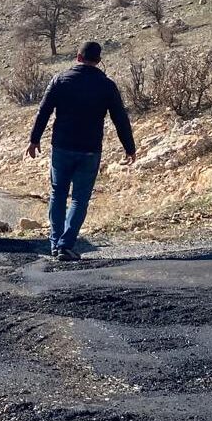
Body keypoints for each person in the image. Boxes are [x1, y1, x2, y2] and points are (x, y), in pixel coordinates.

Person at [26, 41, 136, 261]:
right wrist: (129, 147)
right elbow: (120, 119)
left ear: (78, 57)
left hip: (62, 147)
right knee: (79, 199)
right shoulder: (107, 85)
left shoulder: (60, 79)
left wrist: (34, 139)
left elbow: (43, 112)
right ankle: (66, 245)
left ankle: (55, 243)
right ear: (98, 61)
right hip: (90, 149)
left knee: (57, 194)